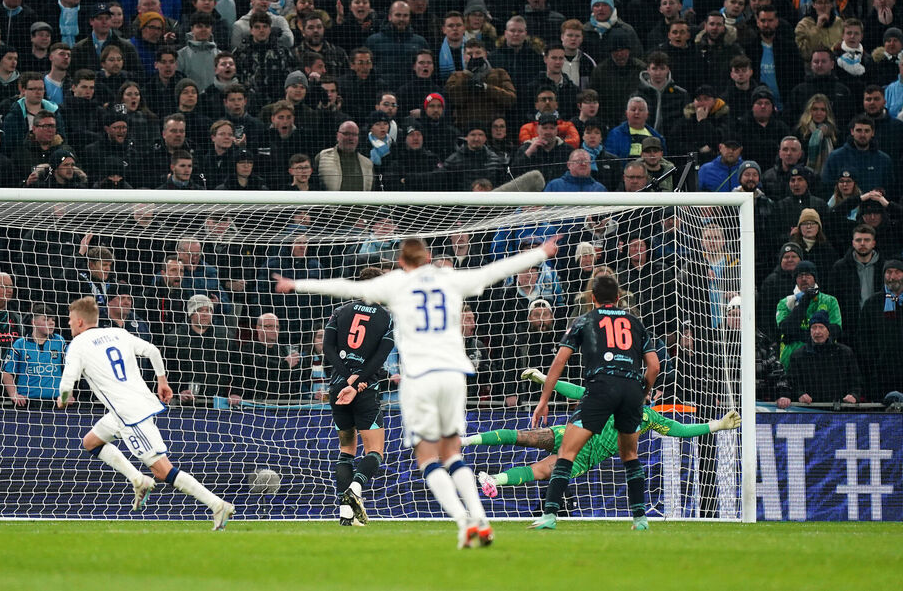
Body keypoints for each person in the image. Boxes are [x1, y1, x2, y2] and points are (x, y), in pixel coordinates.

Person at [276, 235, 562, 548]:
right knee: (452, 452)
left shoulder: (397, 284)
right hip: (453, 375)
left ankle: (464, 523)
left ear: (401, 263)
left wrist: (296, 284)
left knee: (427, 457)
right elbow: (495, 270)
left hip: (419, 378)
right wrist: (540, 252)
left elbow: (347, 289)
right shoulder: (448, 279)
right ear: (428, 259)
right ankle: (480, 519)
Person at [56, 296, 235, 528]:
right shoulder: (117, 333)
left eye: (70, 320)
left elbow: (66, 384)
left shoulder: (77, 346)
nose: (69, 324)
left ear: (79, 322)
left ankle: (217, 504)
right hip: (133, 405)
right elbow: (152, 351)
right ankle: (137, 479)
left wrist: (62, 400)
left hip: (130, 415)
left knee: (162, 471)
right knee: (91, 442)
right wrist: (162, 381)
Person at [470, 368, 740, 492]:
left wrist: (717, 425)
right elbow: (578, 391)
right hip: (574, 435)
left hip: (584, 457)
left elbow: (680, 429)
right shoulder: (613, 399)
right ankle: (467, 440)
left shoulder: (649, 418)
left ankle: (494, 479)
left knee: (541, 469)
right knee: (527, 437)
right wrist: (544, 378)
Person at [529, 273, 659, 531]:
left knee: (567, 451)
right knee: (630, 455)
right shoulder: (635, 322)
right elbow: (653, 366)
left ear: (592, 298)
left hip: (601, 387)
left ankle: (550, 516)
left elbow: (559, 361)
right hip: (632, 389)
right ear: (619, 298)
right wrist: (643, 390)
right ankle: (641, 519)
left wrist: (544, 399)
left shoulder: (585, 321)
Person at [323, 266, 396, 527]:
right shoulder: (386, 318)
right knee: (375, 450)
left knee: (346, 450)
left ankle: (346, 515)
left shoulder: (340, 312)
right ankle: (355, 487)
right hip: (365, 392)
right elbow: (379, 358)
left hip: (337, 390)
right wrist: (358, 381)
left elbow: (327, 348)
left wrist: (346, 378)